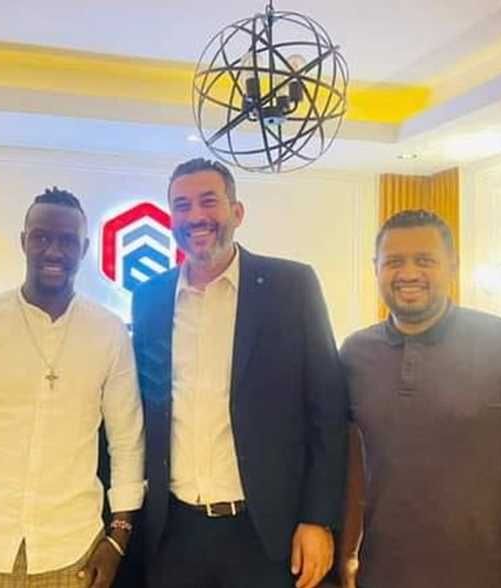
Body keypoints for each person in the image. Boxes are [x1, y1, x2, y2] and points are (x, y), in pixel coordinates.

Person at [131, 158, 348, 588]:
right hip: (174, 532)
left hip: (266, 531)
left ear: (237, 212)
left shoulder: (291, 286)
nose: (195, 216)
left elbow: (327, 410)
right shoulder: (149, 298)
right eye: (182, 205)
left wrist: (318, 518)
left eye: (208, 201)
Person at [0, 187, 144, 588]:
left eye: (67, 240)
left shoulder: (108, 333)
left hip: (74, 551)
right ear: (23, 241)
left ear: (84, 248)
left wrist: (117, 539)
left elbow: (127, 442)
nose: (53, 251)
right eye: (41, 237)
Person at [338, 209, 501, 588]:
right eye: (394, 262)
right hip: (382, 577)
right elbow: (352, 471)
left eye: (425, 260)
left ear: (452, 266)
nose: (409, 273)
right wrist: (345, 557)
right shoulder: (354, 354)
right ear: (376, 268)